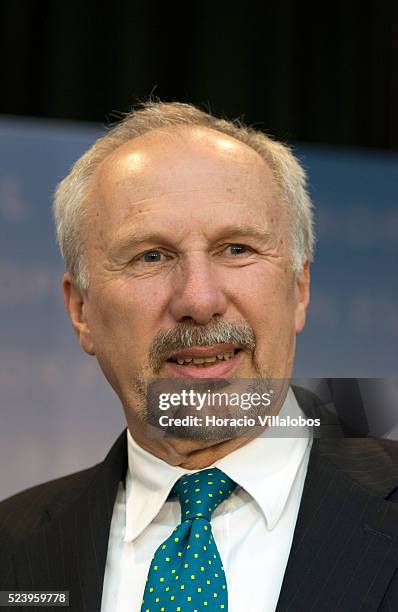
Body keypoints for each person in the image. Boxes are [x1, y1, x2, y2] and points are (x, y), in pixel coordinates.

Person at [1, 101, 398, 612]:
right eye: (151, 256)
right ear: (81, 309)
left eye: (236, 249)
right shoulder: (13, 549)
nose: (198, 300)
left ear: (299, 289)